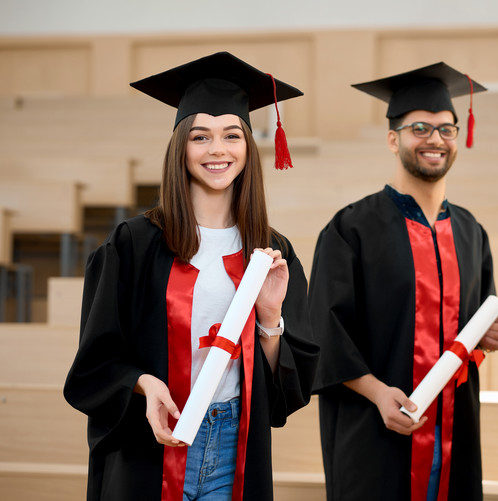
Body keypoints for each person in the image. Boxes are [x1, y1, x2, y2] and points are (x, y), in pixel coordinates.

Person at [63, 52, 319, 501]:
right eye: (201, 136)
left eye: (231, 135)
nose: (217, 149)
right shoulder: (133, 244)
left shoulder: (271, 252)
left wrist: (270, 319)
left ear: (248, 149)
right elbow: (95, 362)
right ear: (180, 146)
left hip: (235, 446)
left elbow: (289, 392)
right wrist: (145, 384)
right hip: (150, 447)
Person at [308, 62, 498, 501]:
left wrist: (490, 337)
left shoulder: (470, 232)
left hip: (452, 430)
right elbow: (326, 334)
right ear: (393, 138)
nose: (435, 139)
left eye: (446, 129)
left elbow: (473, 332)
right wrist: (379, 393)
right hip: (374, 432)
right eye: (419, 127)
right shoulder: (351, 229)